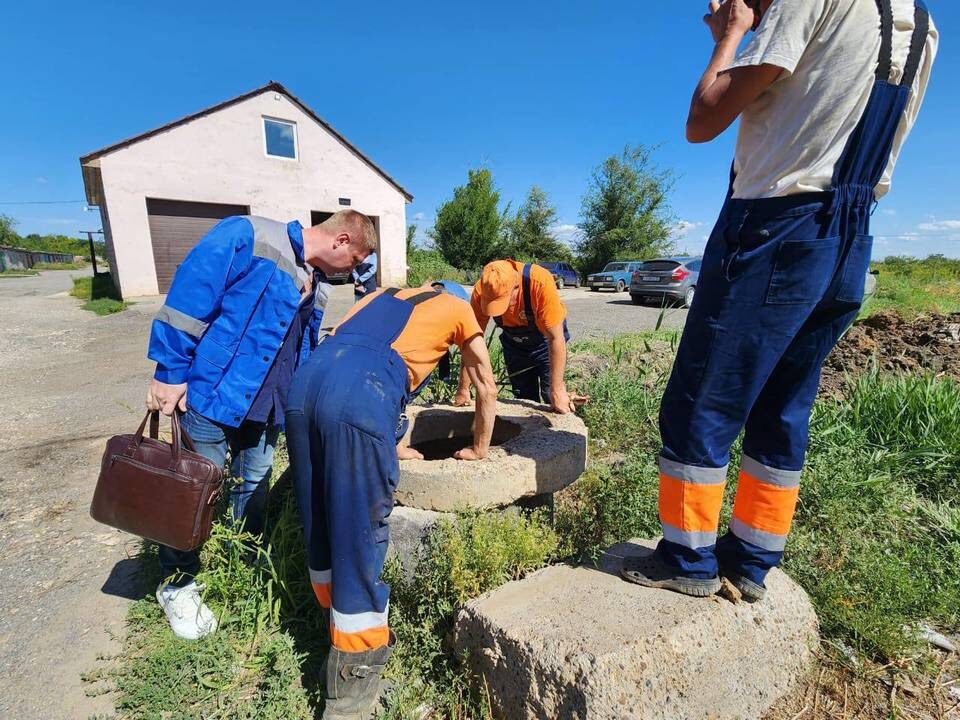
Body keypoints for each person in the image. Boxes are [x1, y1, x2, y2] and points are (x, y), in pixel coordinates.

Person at [621, 0, 937, 601]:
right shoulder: (921, 26)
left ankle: (686, 561)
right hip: (850, 236)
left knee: (703, 396)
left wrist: (733, 34)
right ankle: (752, 561)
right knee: (784, 404)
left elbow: (703, 117)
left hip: (774, 224)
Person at [145, 210, 377, 639]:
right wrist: (169, 370)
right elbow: (190, 297)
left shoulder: (318, 281)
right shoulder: (248, 235)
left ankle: (242, 558)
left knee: (253, 486)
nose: (354, 272)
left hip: (269, 406)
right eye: (356, 261)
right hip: (215, 395)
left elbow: (301, 345)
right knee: (193, 492)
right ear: (342, 241)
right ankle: (178, 584)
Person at [284, 284, 498, 719]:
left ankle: (327, 619)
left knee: (320, 517)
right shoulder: (459, 310)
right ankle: (350, 694)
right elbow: (487, 388)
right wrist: (479, 448)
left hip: (307, 384)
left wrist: (389, 438)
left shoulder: (382, 294)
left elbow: (352, 350)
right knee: (359, 538)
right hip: (363, 395)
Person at [456, 260, 581, 414]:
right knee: (523, 398)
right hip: (514, 346)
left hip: (545, 342)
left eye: (501, 302)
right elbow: (471, 341)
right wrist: (463, 388)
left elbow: (555, 338)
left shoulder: (539, 282)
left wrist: (557, 389)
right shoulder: (483, 289)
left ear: (515, 286)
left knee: (552, 396)